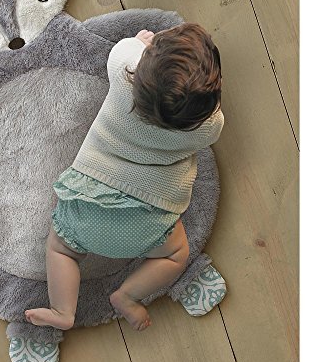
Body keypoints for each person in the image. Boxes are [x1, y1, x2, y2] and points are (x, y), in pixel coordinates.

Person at [25, 23, 224, 331]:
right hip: (147, 221)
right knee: (176, 254)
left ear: (138, 71)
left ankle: (63, 310)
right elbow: (215, 115)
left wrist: (141, 43)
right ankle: (128, 295)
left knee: (60, 250)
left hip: (88, 201)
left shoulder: (122, 69)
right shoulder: (206, 128)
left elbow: (128, 46)